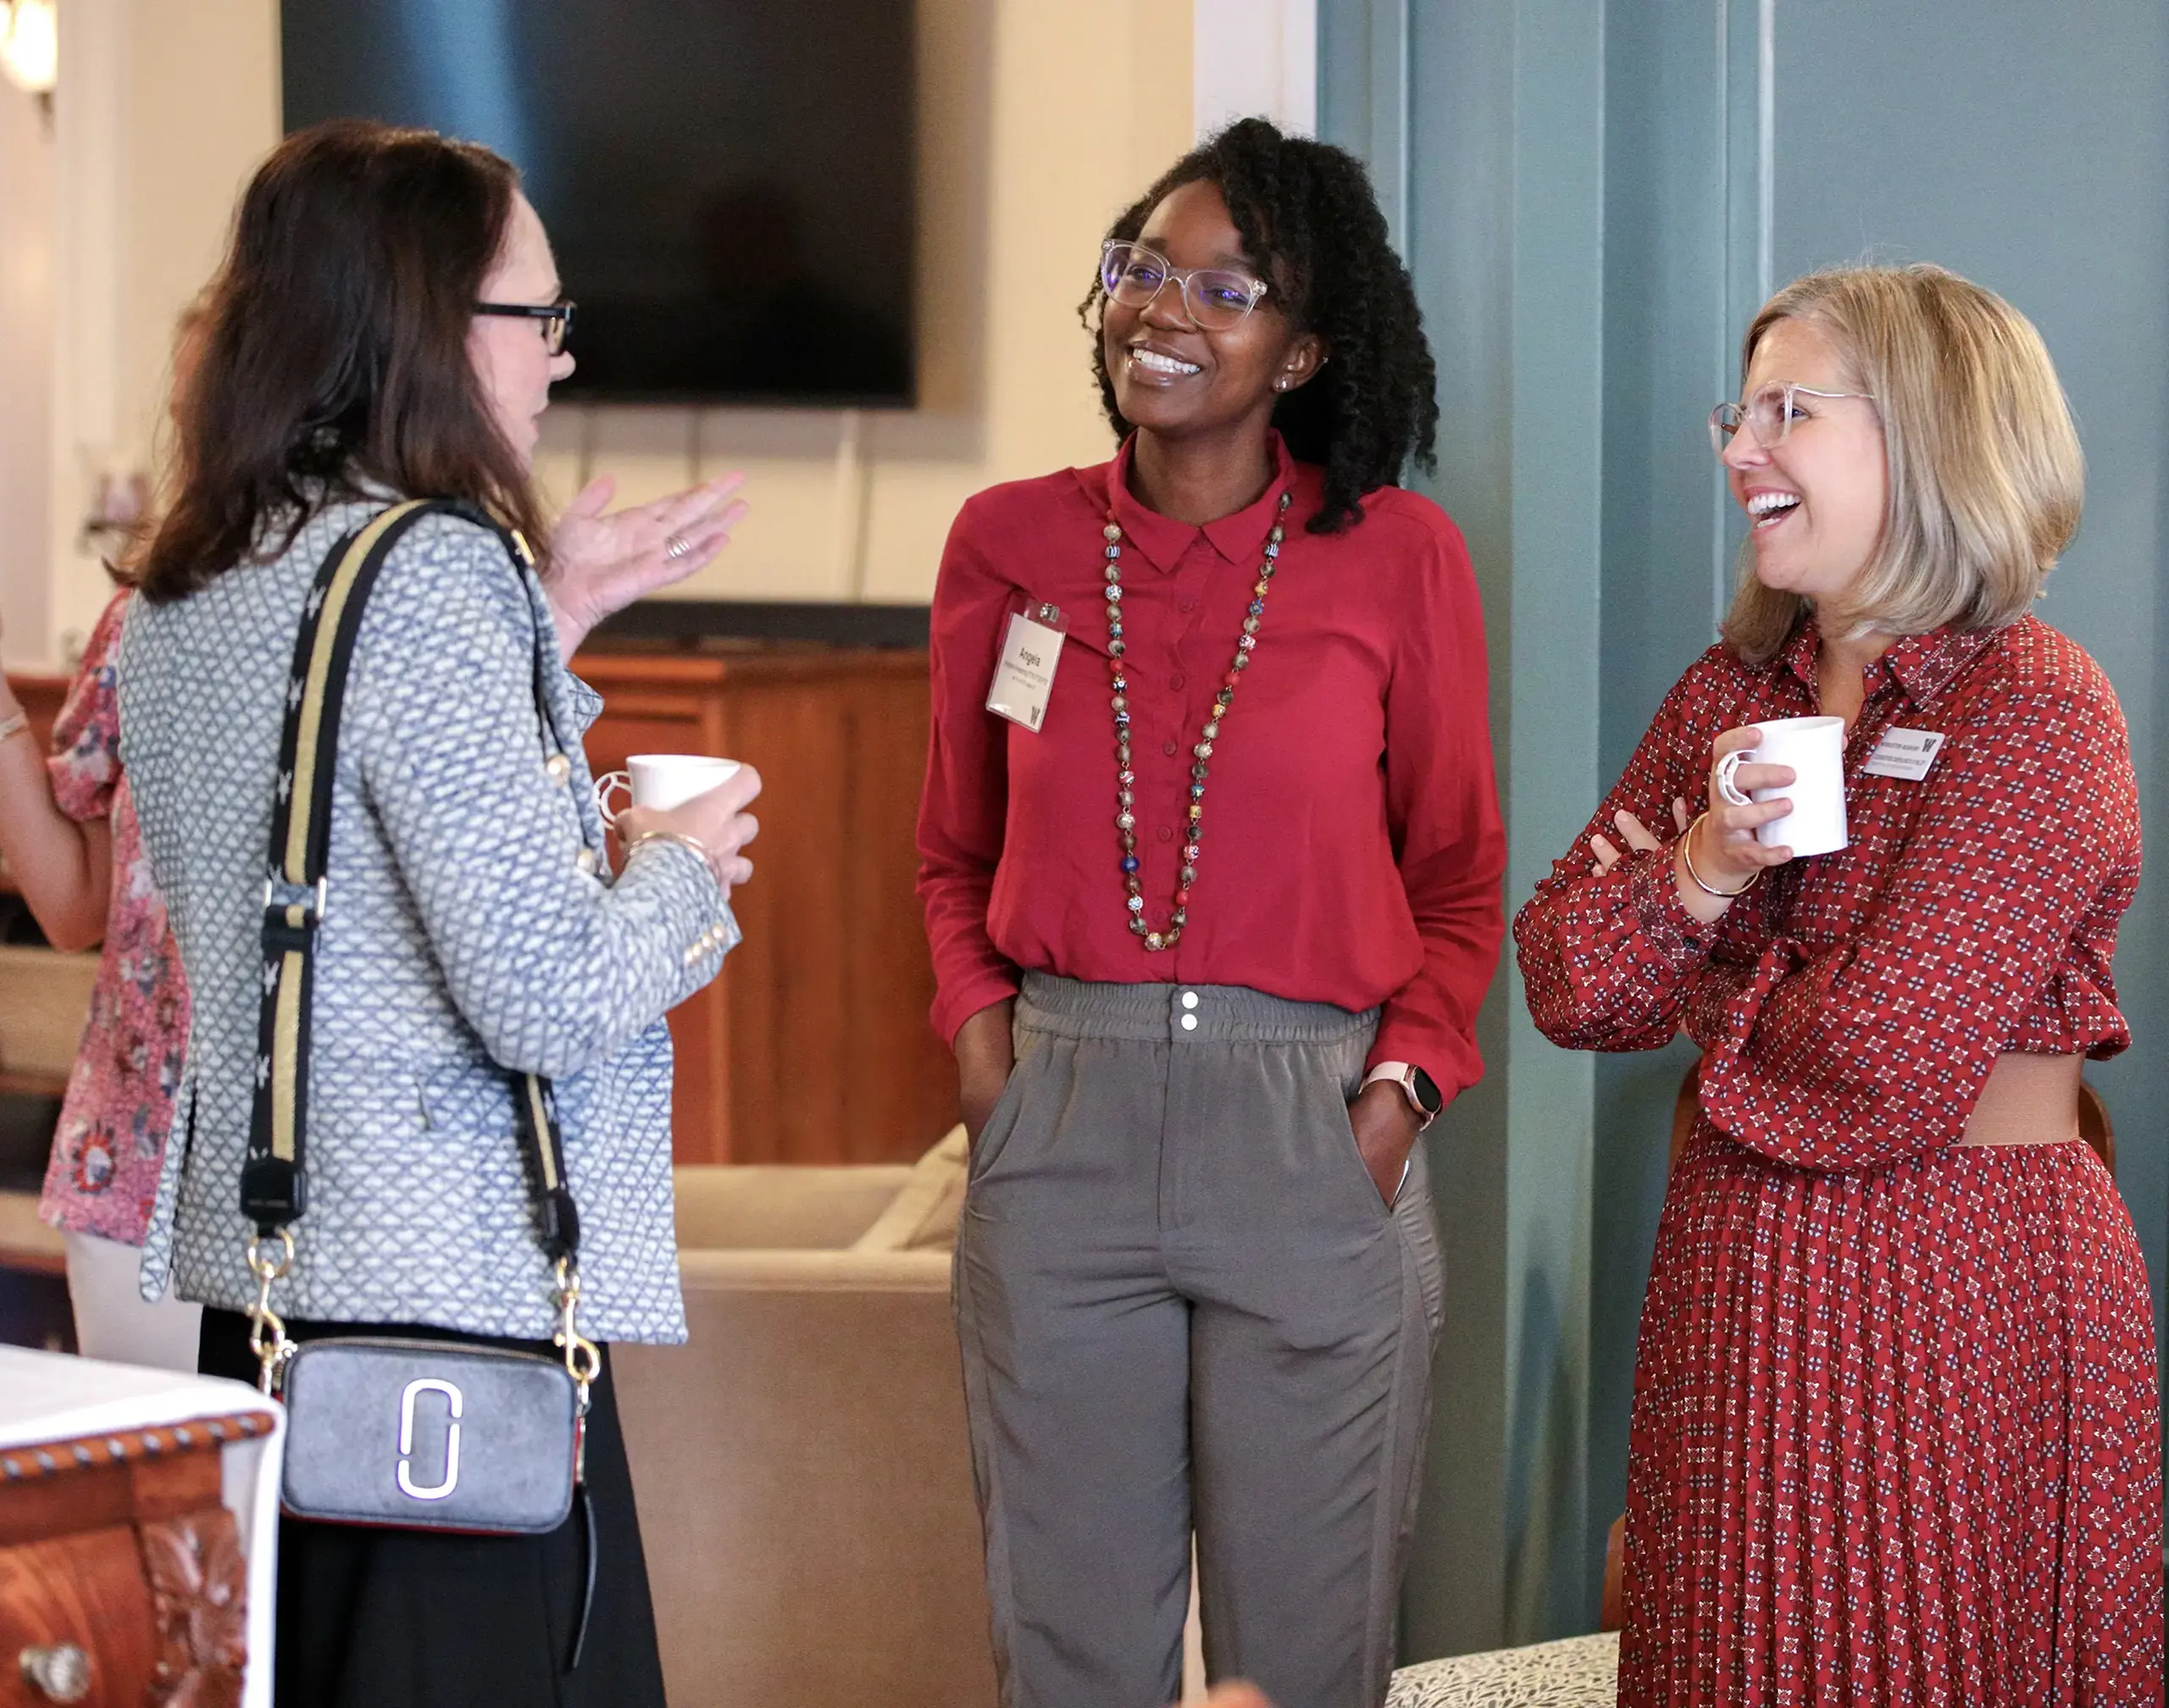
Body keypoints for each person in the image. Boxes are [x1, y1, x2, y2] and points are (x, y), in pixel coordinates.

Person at [117, 119, 761, 1706]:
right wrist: (685, 870)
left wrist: (545, 618)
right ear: (427, 325)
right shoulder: (433, 572)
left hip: (278, 1298)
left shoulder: (198, 581)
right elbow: (538, 994)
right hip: (452, 1319)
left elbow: (320, 838)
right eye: (536, 320)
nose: (554, 362)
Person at [918, 118, 1505, 1708]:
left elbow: (1455, 882)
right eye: (1141, 271)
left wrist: (1391, 1102)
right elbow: (952, 859)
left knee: (1307, 1667)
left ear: (1305, 349)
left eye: (1223, 288)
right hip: (1065, 1129)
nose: (1161, 310)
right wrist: (992, 1059)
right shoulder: (1010, 544)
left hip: (1312, 1131)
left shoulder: (1399, 559)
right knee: (1073, 1659)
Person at [1515, 264, 2162, 1701]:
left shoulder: (2040, 705)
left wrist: (1696, 957)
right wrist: (1696, 874)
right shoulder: (1728, 692)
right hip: (1737, 1279)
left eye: (1788, 410)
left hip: (1968, 1287)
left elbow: (1878, 1062)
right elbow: (1564, 979)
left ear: (1929, 434)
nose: (1744, 451)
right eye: (1736, 417)